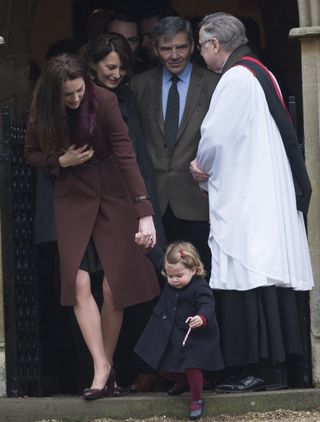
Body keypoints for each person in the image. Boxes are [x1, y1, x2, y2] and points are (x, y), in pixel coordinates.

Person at [24, 53, 160, 400]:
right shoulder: (42, 107)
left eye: (78, 91)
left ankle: (106, 367)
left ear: (87, 81)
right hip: (72, 196)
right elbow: (31, 153)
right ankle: (102, 368)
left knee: (115, 286)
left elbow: (125, 153)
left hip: (113, 193)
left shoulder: (105, 100)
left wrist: (144, 211)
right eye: (67, 94)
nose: (75, 99)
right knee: (79, 282)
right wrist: (60, 160)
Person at [191, 12, 313, 393]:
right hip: (264, 192)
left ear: (213, 45)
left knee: (248, 276)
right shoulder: (261, 72)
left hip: (248, 199)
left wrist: (200, 167)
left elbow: (214, 137)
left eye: (200, 45)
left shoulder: (235, 78)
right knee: (266, 280)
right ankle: (279, 369)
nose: (200, 52)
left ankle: (256, 370)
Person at [82, 32, 167, 387]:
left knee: (132, 285)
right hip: (90, 201)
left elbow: (135, 156)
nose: (116, 74)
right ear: (93, 65)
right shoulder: (78, 100)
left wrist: (143, 206)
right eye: (110, 67)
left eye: (121, 68)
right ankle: (103, 369)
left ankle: (134, 369)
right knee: (93, 286)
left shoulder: (127, 98)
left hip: (128, 201)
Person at [130, 16, 219, 276]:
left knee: (202, 274)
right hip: (155, 200)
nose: (174, 55)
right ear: (155, 49)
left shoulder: (214, 84)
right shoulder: (138, 86)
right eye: (166, 49)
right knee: (157, 277)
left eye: (181, 47)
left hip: (197, 199)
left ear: (193, 46)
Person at [134, 238, 224, 420]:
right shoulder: (171, 269)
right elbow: (158, 256)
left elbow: (207, 304)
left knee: (192, 366)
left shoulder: (200, 286)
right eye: (169, 276)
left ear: (193, 269)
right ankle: (185, 383)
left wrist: (201, 318)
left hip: (194, 334)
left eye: (179, 276)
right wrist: (147, 246)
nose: (174, 280)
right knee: (160, 365)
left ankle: (197, 399)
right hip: (170, 331)